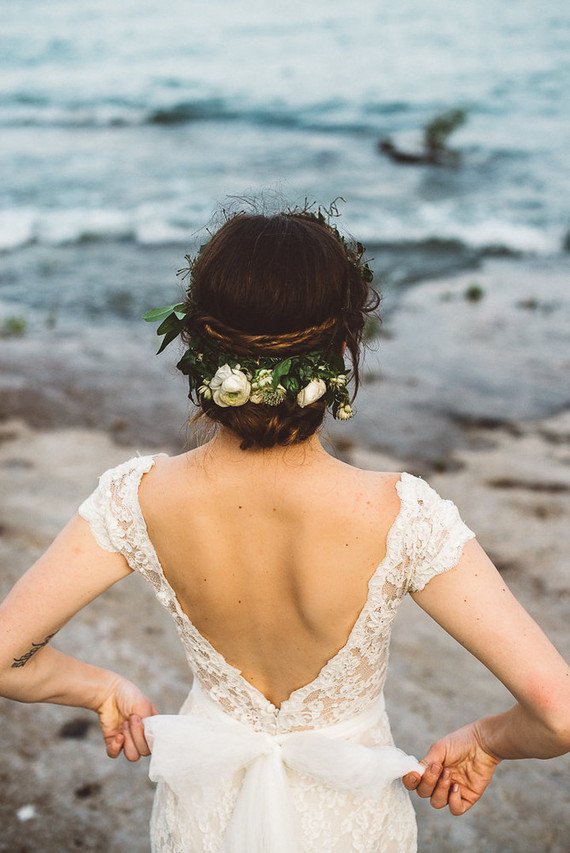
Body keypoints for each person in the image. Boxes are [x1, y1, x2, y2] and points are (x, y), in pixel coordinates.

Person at [0, 209, 568, 853]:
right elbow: (557, 712)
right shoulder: (406, 516)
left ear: (199, 350)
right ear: (343, 352)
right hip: (349, 821)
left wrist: (99, 687)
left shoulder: (136, 498)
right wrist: (487, 741)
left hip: (204, 812)